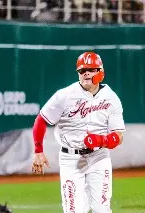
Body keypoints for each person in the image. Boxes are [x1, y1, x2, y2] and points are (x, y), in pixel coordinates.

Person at [31, 52, 125, 213]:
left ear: (100, 72)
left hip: (99, 156)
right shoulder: (65, 95)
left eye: (91, 69)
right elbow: (41, 120)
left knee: (102, 208)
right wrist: (38, 150)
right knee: (73, 210)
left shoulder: (111, 98)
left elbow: (119, 136)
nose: (86, 73)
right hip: (71, 158)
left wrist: (100, 141)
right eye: (82, 71)